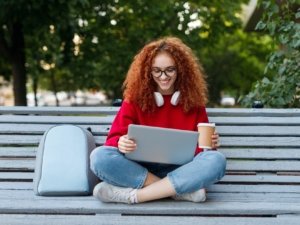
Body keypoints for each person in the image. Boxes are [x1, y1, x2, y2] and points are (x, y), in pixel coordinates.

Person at [90, 37, 226, 204]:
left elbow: (200, 152)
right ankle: (178, 192)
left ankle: (135, 196)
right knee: (99, 156)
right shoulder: (134, 100)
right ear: (148, 72)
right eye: (157, 71)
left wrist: (209, 144)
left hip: (182, 170)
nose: (163, 77)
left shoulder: (194, 102)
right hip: (140, 170)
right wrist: (121, 143)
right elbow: (111, 142)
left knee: (216, 160)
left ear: (181, 70)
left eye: (170, 70)